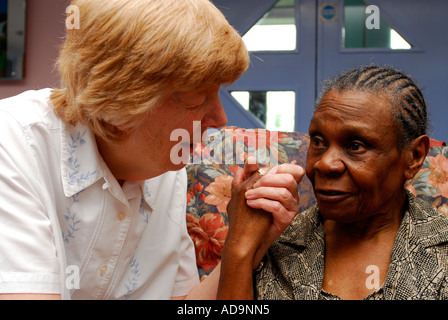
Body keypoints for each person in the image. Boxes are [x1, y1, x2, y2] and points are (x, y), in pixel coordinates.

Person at [0, 0, 303, 300]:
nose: (220, 119)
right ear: (119, 106)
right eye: (197, 100)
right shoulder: (14, 144)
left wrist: (245, 243)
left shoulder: (163, 165)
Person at [218, 65, 448, 300]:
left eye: (355, 146)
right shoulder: (275, 246)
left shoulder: (442, 253)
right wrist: (239, 249)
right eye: (318, 141)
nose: (325, 164)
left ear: (415, 156)